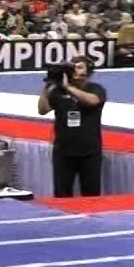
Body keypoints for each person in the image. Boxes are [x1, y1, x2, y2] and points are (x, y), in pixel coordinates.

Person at [38, 55, 106, 197]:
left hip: (90, 152)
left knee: (91, 195)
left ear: (89, 71)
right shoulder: (58, 91)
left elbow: (92, 101)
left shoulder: (95, 89)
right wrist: (48, 85)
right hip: (63, 152)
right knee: (62, 196)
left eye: (80, 67)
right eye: (72, 67)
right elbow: (43, 109)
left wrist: (68, 87)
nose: (75, 70)